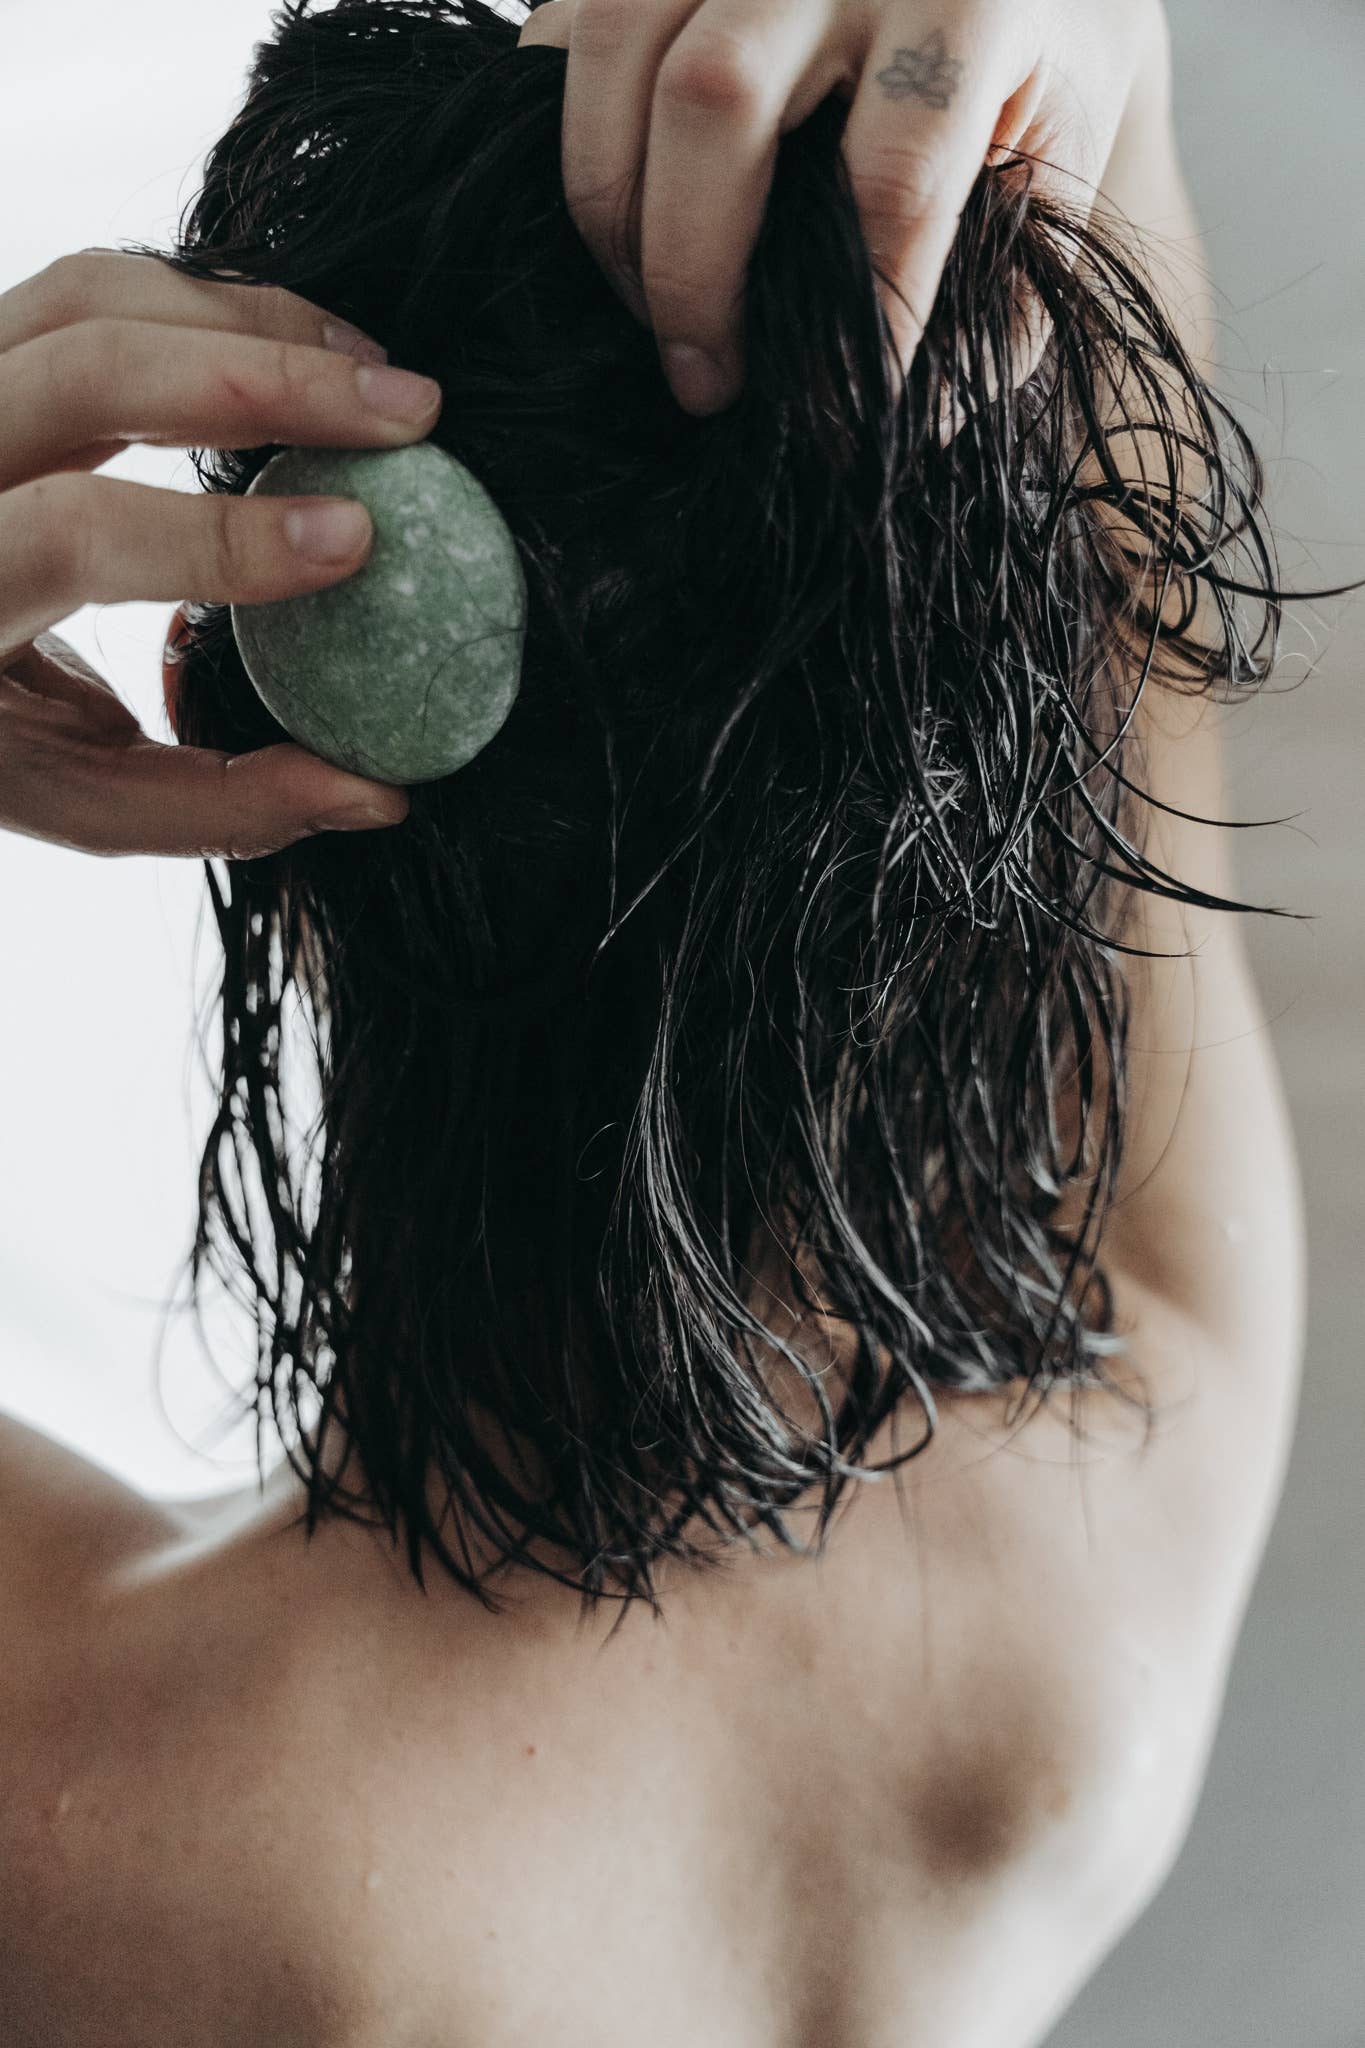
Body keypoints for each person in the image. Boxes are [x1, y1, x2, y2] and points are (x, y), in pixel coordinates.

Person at [0, 1, 1306, 2042]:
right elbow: (1144, 673)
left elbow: (1121, 654)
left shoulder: (95, 1794)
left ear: (225, 705)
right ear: (956, 791)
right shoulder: (1109, 1557)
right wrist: (1089, 77)